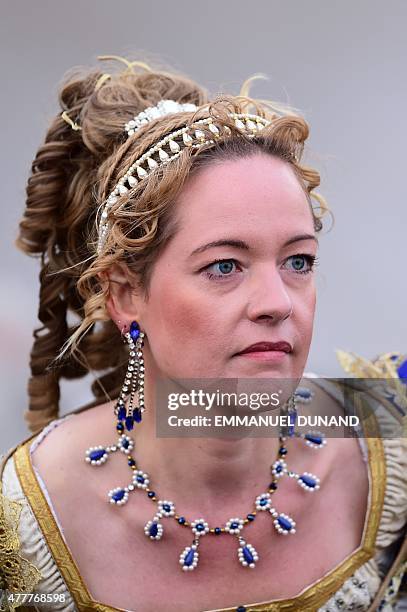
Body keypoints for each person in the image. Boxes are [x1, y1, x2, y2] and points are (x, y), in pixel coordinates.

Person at [0, 56, 406, 612]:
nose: (277, 303)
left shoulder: (390, 434)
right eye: (224, 266)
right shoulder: (28, 520)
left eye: (299, 261)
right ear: (123, 294)